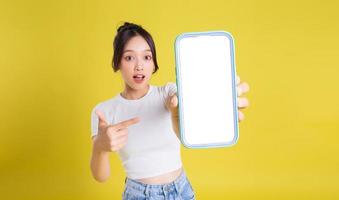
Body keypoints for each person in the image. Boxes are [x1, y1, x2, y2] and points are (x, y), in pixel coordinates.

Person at [90, 22, 250, 200]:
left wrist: (217, 99)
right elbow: (100, 176)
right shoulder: (104, 111)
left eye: (147, 57)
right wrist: (100, 147)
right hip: (140, 195)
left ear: (153, 63)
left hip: (182, 190)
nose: (139, 66)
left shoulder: (167, 93)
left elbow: (188, 101)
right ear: (117, 61)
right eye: (129, 58)